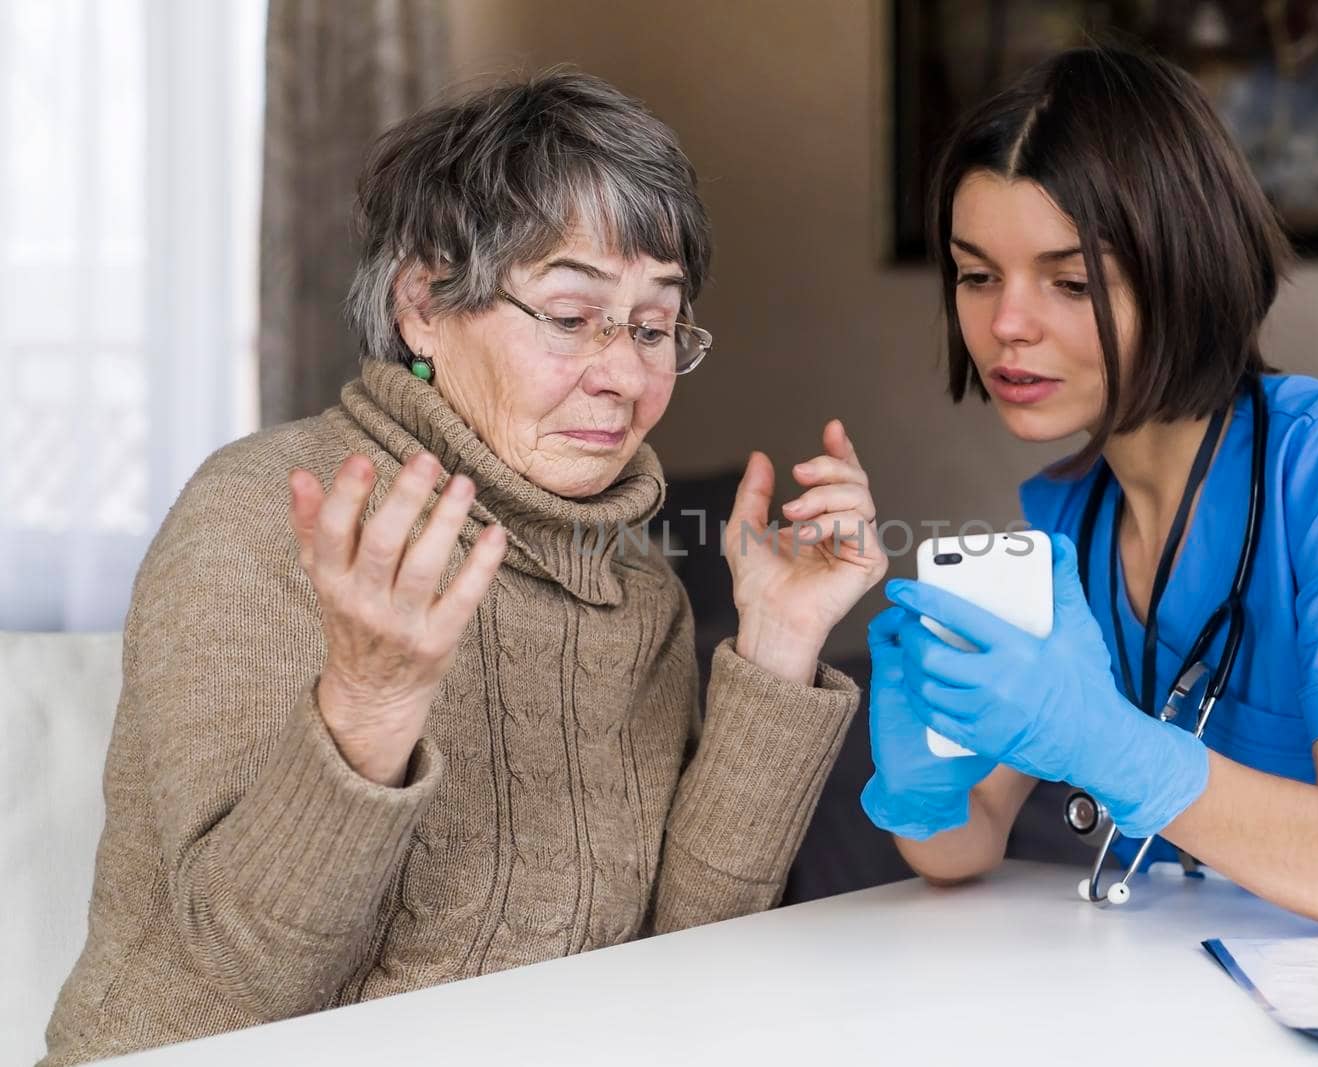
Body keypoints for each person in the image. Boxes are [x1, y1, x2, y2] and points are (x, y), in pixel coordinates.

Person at [43, 72, 886, 1064]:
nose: (623, 374)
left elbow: (688, 947)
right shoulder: (261, 516)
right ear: (422, 307)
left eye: (654, 326)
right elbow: (234, 981)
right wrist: (368, 704)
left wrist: (779, 645)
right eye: (572, 316)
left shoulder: (633, 578)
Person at [859, 46, 1318, 933]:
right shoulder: (1070, 524)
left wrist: (1101, 738)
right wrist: (921, 769)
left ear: (1183, 272)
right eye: (977, 275)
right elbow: (964, 843)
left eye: (1072, 281)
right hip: (1244, 976)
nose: (1005, 324)